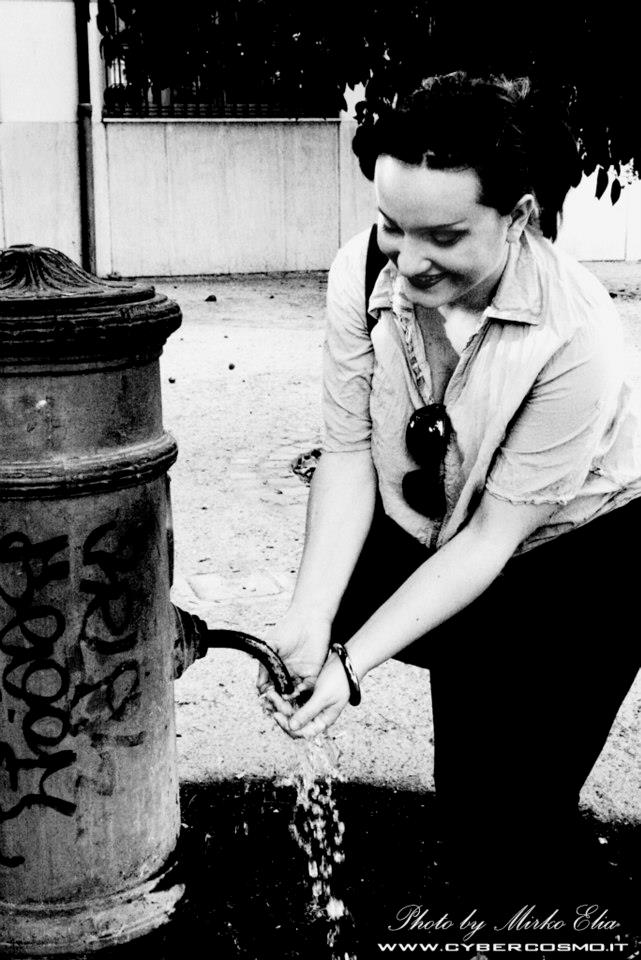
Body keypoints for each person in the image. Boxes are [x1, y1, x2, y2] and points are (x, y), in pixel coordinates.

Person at [258, 72, 641, 913]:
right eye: (392, 225)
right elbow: (346, 455)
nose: (408, 261)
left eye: (443, 235)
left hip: (581, 555)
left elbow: (492, 538)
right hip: (443, 532)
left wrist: (351, 663)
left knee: (520, 803)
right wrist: (311, 618)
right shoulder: (359, 272)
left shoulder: (575, 333)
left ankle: (556, 915)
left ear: (519, 216)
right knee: (466, 788)